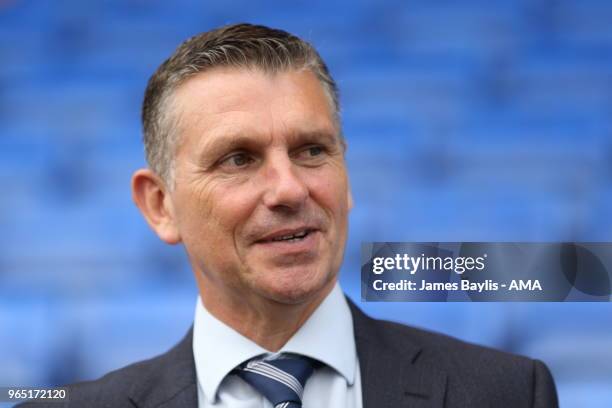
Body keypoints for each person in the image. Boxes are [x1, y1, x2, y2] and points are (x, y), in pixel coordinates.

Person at [21, 23, 558, 407]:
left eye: (312, 151)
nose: (289, 188)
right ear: (161, 206)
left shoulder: (505, 392)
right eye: (239, 159)